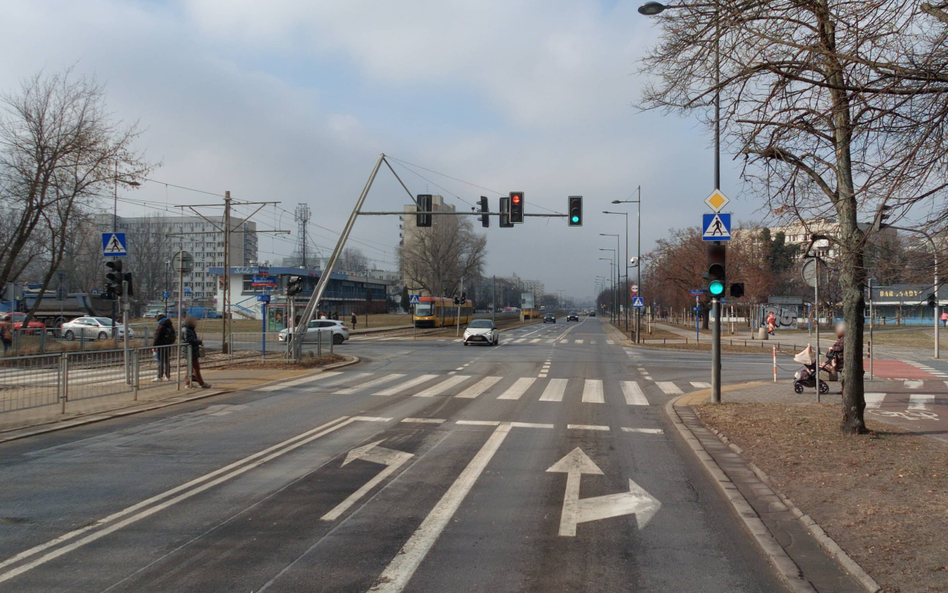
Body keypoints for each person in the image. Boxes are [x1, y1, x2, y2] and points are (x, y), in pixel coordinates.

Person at [181, 315, 210, 389]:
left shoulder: (189, 329)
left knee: (191, 368)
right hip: (189, 351)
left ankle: (188, 383)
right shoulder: (186, 329)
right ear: (190, 321)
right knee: (196, 368)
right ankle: (201, 383)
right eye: (194, 321)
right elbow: (188, 340)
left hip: (192, 350)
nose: (195, 322)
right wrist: (199, 342)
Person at [152, 314, 176, 382]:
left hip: (161, 345)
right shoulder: (170, 325)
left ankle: (159, 376)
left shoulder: (161, 326)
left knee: (160, 361)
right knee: (167, 361)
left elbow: (157, 337)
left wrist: (154, 346)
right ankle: (167, 376)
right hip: (168, 345)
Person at [827, 322, 845, 393]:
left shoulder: (844, 339)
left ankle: (844, 390)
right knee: (842, 377)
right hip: (840, 361)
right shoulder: (842, 339)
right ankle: (843, 389)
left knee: (843, 377)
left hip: (842, 361)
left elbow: (840, 347)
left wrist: (833, 348)